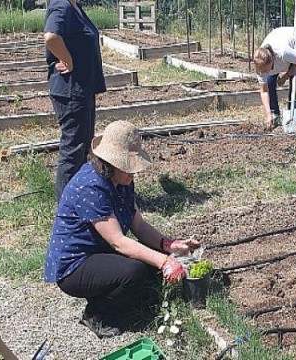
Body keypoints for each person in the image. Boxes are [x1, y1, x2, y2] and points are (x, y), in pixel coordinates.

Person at [44, 121, 200, 338]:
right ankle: (97, 313)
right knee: (133, 271)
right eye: (129, 167)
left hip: (99, 251)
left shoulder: (122, 181)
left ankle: (131, 300)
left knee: (150, 262)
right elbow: (119, 241)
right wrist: (164, 262)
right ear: (112, 163)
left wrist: (169, 245)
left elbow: (138, 225)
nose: (133, 173)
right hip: (75, 264)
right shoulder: (91, 186)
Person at [44, 0, 106, 200]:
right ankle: (66, 204)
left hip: (82, 88)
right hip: (71, 90)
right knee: (73, 150)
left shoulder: (74, 7)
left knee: (82, 146)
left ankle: (79, 196)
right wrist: (68, 60)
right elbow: (51, 36)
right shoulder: (62, 5)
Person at [254, 26, 296, 133]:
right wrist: (268, 114)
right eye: (262, 71)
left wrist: (285, 76)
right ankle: (275, 115)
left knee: (295, 79)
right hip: (277, 35)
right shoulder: (260, 64)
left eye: (266, 70)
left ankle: (294, 115)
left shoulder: (284, 53)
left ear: (272, 61)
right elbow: (264, 91)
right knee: (269, 82)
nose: (264, 73)